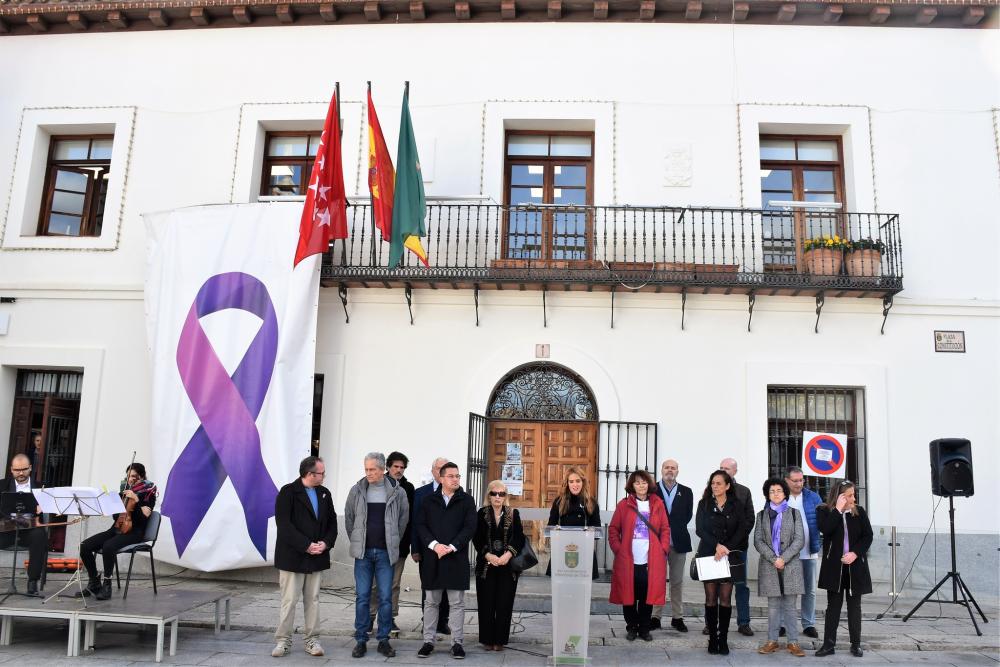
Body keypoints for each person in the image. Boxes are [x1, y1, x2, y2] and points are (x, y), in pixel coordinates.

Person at [272, 456, 338, 658]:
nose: (324, 476)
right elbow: (284, 525)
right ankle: (283, 641)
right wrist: (306, 545)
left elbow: (332, 523)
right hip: (293, 556)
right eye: (321, 473)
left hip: (316, 556)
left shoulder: (324, 493)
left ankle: (312, 640)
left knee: (313, 600)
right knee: (289, 600)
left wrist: (325, 543)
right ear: (310, 474)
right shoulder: (288, 492)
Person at [345, 452, 409, 659]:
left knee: (385, 597)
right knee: (362, 596)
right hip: (363, 554)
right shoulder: (357, 490)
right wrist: (358, 540)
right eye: (366, 469)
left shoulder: (397, 493)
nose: (369, 473)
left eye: (372, 469)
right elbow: (349, 519)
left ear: (383, 469)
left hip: (385, 554)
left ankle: (383, 640)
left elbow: (403, 520)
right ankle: (361, 640)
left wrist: (392, 542)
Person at [414, 462, 477, 659]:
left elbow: (470, 527)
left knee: (457, 603)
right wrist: (434, 545)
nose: (456, 479)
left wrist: (452, 547)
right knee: (431, 601)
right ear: (441, 478)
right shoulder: (428, 500)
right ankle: (428, 641)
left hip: (456, 557)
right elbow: (421, 525)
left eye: (457, 476)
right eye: (451, 476)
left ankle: (457, 643)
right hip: (433, 558)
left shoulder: (466, 500)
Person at [608, 470, 671, 642]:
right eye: (637, 483)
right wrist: (618, 549)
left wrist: (663, 548)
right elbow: (613, 529)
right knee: (628, 597)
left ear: (649, 484)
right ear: (632, 486)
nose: (641, 486)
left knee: (646, 597)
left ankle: (644, 628)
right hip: (628, 559)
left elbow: (665, 529)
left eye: (644, 482)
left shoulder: (657, 503)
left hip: (650, 560)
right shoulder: (624, 505)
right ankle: (631, 627)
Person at [80, 462, 157, 601]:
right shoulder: (124, 492)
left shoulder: (148, 493)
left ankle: (107, 585)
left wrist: (137, 500)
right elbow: (116, 517)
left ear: (142, 476)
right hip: (116, 529)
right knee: (84, 546)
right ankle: (94, 581)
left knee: (108, 546)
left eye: (134, 476)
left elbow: (141, 520)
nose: (131, 479)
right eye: (128, 476)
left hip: (135, 533)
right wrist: (115, 503)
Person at [815, 480, 873, 658]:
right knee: (833, 606)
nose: (853, 498)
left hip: (855, 566)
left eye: (853, 494)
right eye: (849, 495)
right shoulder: (824, 511)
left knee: (855, 607)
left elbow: (868, 536)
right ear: (839, 496)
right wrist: (838, 510)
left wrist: (855, 553)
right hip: (835, 567)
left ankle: (856, 644)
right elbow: (825, 529)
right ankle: (828, 644)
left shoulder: (859, 512)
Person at [695, 469, 748, 655]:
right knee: (710, 599)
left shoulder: (737, 504)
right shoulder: (704, 504)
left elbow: (742, 529)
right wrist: (717, 545)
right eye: (712, 483)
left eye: (718, 483)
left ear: (727, 486)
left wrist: (726, 547)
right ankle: (712, 639)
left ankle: (723, 639)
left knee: (725, 598)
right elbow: (700, 529)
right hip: (709, 554)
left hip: (729, 555)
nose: (714, 486)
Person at [753, 478, 806, 657]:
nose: (775, 494)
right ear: (767, 495)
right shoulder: (761, 515)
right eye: (772, 491)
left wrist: (783, 558)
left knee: (790, 606)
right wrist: (773, 558)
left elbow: (799, 539)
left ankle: (793, 642)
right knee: (773, 606)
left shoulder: (794, 514)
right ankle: (772, 641)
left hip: (791, 565)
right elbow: (758, 540)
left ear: (785, 493)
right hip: (770, 565)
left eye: (779, 490)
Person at [472, 480, 526, 651]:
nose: (497, 497)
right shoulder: (481, 513)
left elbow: (519, 537)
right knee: (486, 602)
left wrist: (508, 555)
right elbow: (477, 537)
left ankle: (500, 640)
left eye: (501, 494)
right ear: (489, 495)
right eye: (494, 493)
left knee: (504, 603)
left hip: (507, 566)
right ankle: (487, 639)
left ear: (505, 496)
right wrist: (488, 555)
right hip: (486, 566)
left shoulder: (513, 513)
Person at [369, 451, 415, 637]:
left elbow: (409, 518)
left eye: (402, 467)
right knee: (374, 584)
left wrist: (409, 544)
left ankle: (389, 618)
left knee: (394, 584)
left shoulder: (409, 488)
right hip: (376, 544)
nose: (399, 470)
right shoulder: (375, 483)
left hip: (399, 546)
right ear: (388, 467)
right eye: (396, 466)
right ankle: (370, 617)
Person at [650, 458, 693, 632]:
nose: (670, 470)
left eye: (673, 468)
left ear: (677, 471)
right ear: (661, 470)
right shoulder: (652, 490)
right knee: (657, 580)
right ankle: (655, 616)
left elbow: (688, 515)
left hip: (678, 543)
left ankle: (677, 617)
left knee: (677, 582)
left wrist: (673, 529)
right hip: (657, 543)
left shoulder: (686, 491)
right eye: (667, 467)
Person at [412, 457, 452, 635]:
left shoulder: (456, 492)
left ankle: (443, 622)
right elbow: (415, 523)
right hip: (427, 550)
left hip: (448, 550)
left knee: (446, 587)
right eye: (438, 469)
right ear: (433, 471)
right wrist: (415, 549)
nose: (441, 472)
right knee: (428, 587)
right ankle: (427, 622)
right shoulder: (421, 493)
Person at [784, 466, 823, 639]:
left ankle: (808, 624)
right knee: (787, 590)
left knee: (809, 590)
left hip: (809, 552)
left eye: (801, 480)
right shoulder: (779, 496)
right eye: (795, 481)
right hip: (786, 554)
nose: (799, 484)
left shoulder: (813, 497)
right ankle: (784, 624)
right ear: (787, 480)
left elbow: (823, 522)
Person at [1, 453, 47, 595]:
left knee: (40, 536)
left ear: (30, 468)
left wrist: (44, 506)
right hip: (6, 529)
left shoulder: (41, 487)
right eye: (17, 470)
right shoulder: (2, 485)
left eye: (24, 469)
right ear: (11, 469)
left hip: (30, 529)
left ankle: (32, 580)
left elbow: (52, 508)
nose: (20, 473)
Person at [719, 457, 755, 636]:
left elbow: (749, 519)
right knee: (717, 584)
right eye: (721, 468)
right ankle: (713, 623)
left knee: (740, 585)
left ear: (735, 471)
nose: (724, 470)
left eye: (727, 468)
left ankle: (744, 622)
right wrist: (718, 543)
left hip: (738, 548)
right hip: (717, 548)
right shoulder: (712, 489)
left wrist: (732, 543)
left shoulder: (744, 491)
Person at [546, 466, 602, 579]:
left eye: (578, 481)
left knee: (581, 592)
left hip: (584, 553)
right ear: (567, 483)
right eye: (571, 481)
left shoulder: (591, 502)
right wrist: (555, 530)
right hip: (563, 552)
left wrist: (590, 531)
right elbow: (550, 527)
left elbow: (597, 532)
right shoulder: (558, 502)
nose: (575, 485)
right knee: (562, 590)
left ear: (583, 482)